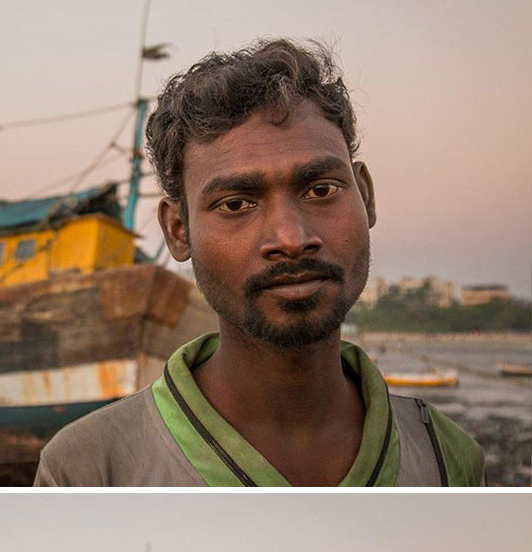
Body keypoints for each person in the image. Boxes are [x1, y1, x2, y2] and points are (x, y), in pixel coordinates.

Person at [34, 40, 484, 486]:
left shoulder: (449, 460)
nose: (291, 239)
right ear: (178, 230)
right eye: (236, 204)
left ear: (365, 196)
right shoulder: (88, 470)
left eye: (321, 190)